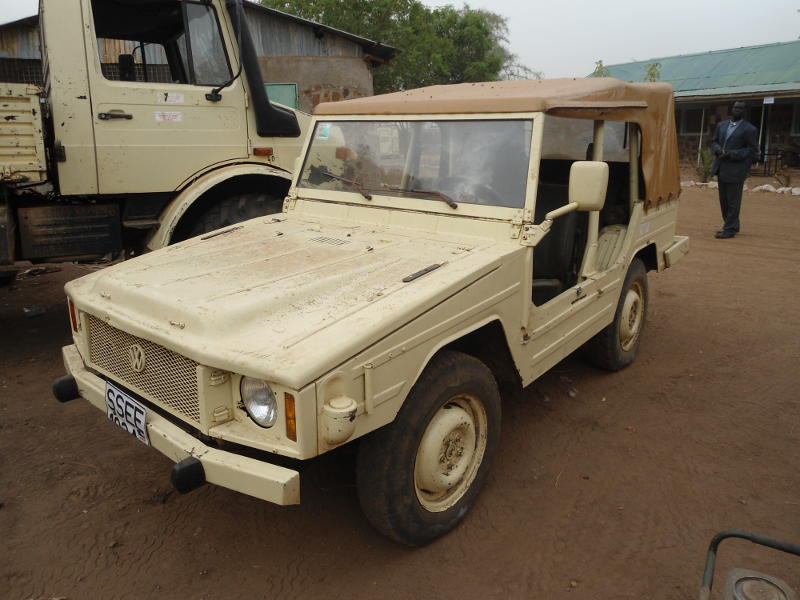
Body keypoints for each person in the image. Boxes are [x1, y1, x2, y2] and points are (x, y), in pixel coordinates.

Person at [709, 101, 759, 239]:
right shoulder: (721, 125)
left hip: (736, 170)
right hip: (721, 168)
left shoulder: (750, 129)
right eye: (735, 107)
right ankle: (732, 225)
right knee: (724, 200)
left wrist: (732, 154)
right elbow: (713, 141)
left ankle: (729, 229)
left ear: (744, 112)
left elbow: (753, 151)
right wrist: (717, 149)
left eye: (740, 108)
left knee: (733, 202)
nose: (736, 110)